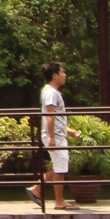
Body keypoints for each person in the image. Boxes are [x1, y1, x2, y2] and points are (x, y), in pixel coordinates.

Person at [29, 61, 76, 210]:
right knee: (60, 168)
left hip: (58, 134)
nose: (65, 75)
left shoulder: (52, 92)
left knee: (59, 167)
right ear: (55, 75)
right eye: (62, 72)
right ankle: (59, 201)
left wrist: (68, 130)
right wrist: (51, 137)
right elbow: (49, 116)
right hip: (55, 135)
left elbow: (56, 116)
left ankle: (37, 188)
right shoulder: (51, 92)